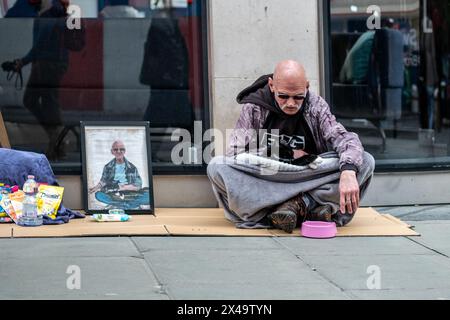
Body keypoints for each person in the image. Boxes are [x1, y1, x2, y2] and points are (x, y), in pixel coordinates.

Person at [207, 60, 375, 233]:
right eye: (283, 96)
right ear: (272, 85)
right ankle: (308, 206)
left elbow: (344, 138)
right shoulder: (254, 107)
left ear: (307, 87)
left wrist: (348, 171)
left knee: (365, 162)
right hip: (269, 177)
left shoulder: (316, 106)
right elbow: (235, 153)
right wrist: (283, 154)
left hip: (309, 175)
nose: (291, 103)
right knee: (217, 166)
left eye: (298, 97)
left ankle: (291, 207)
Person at [13, 0, 70, 160]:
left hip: (48, 64)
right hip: (48, 63)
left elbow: (40, 44)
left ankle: (58, 140)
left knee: (47, 102)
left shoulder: (50, 14)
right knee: (41, 101)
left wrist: (23, 61)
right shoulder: (51, 12)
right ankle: (56, 138)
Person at [89, 140, 150, 210]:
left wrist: (125, 187)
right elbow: (103, 181)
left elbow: (138, 184)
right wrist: (95, 187)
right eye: (116, 149)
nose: (119, 151)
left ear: (124, 151)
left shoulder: (132, 167)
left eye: (121, 149)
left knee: (148, 195)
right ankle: (129, 205)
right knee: (98, 195)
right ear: (112, 152)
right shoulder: (108, 167)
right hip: (114, 193)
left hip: (130, 193)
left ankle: (117, 204)